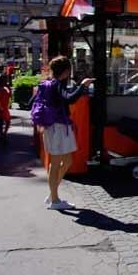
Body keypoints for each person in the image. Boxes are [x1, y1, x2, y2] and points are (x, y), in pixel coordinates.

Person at [34, 56, 93, 210]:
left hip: (54, 127)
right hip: (58, 127)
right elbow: (70, 99)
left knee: (67, 161)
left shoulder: (48, 83)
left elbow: (34, 101)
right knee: (55, 164)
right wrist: (83, 85)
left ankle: (52, 194)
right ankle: (54, 200)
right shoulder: (57, 84)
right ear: (66, 71)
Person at [0, 75, 12, 143]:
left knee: (4, 121)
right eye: (4, 79)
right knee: (3, 121)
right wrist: (0, 107)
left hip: (4, 107)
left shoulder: (5, 88)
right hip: (1, 107)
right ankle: (2, 134)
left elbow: (10, 96)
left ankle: (3, 134)